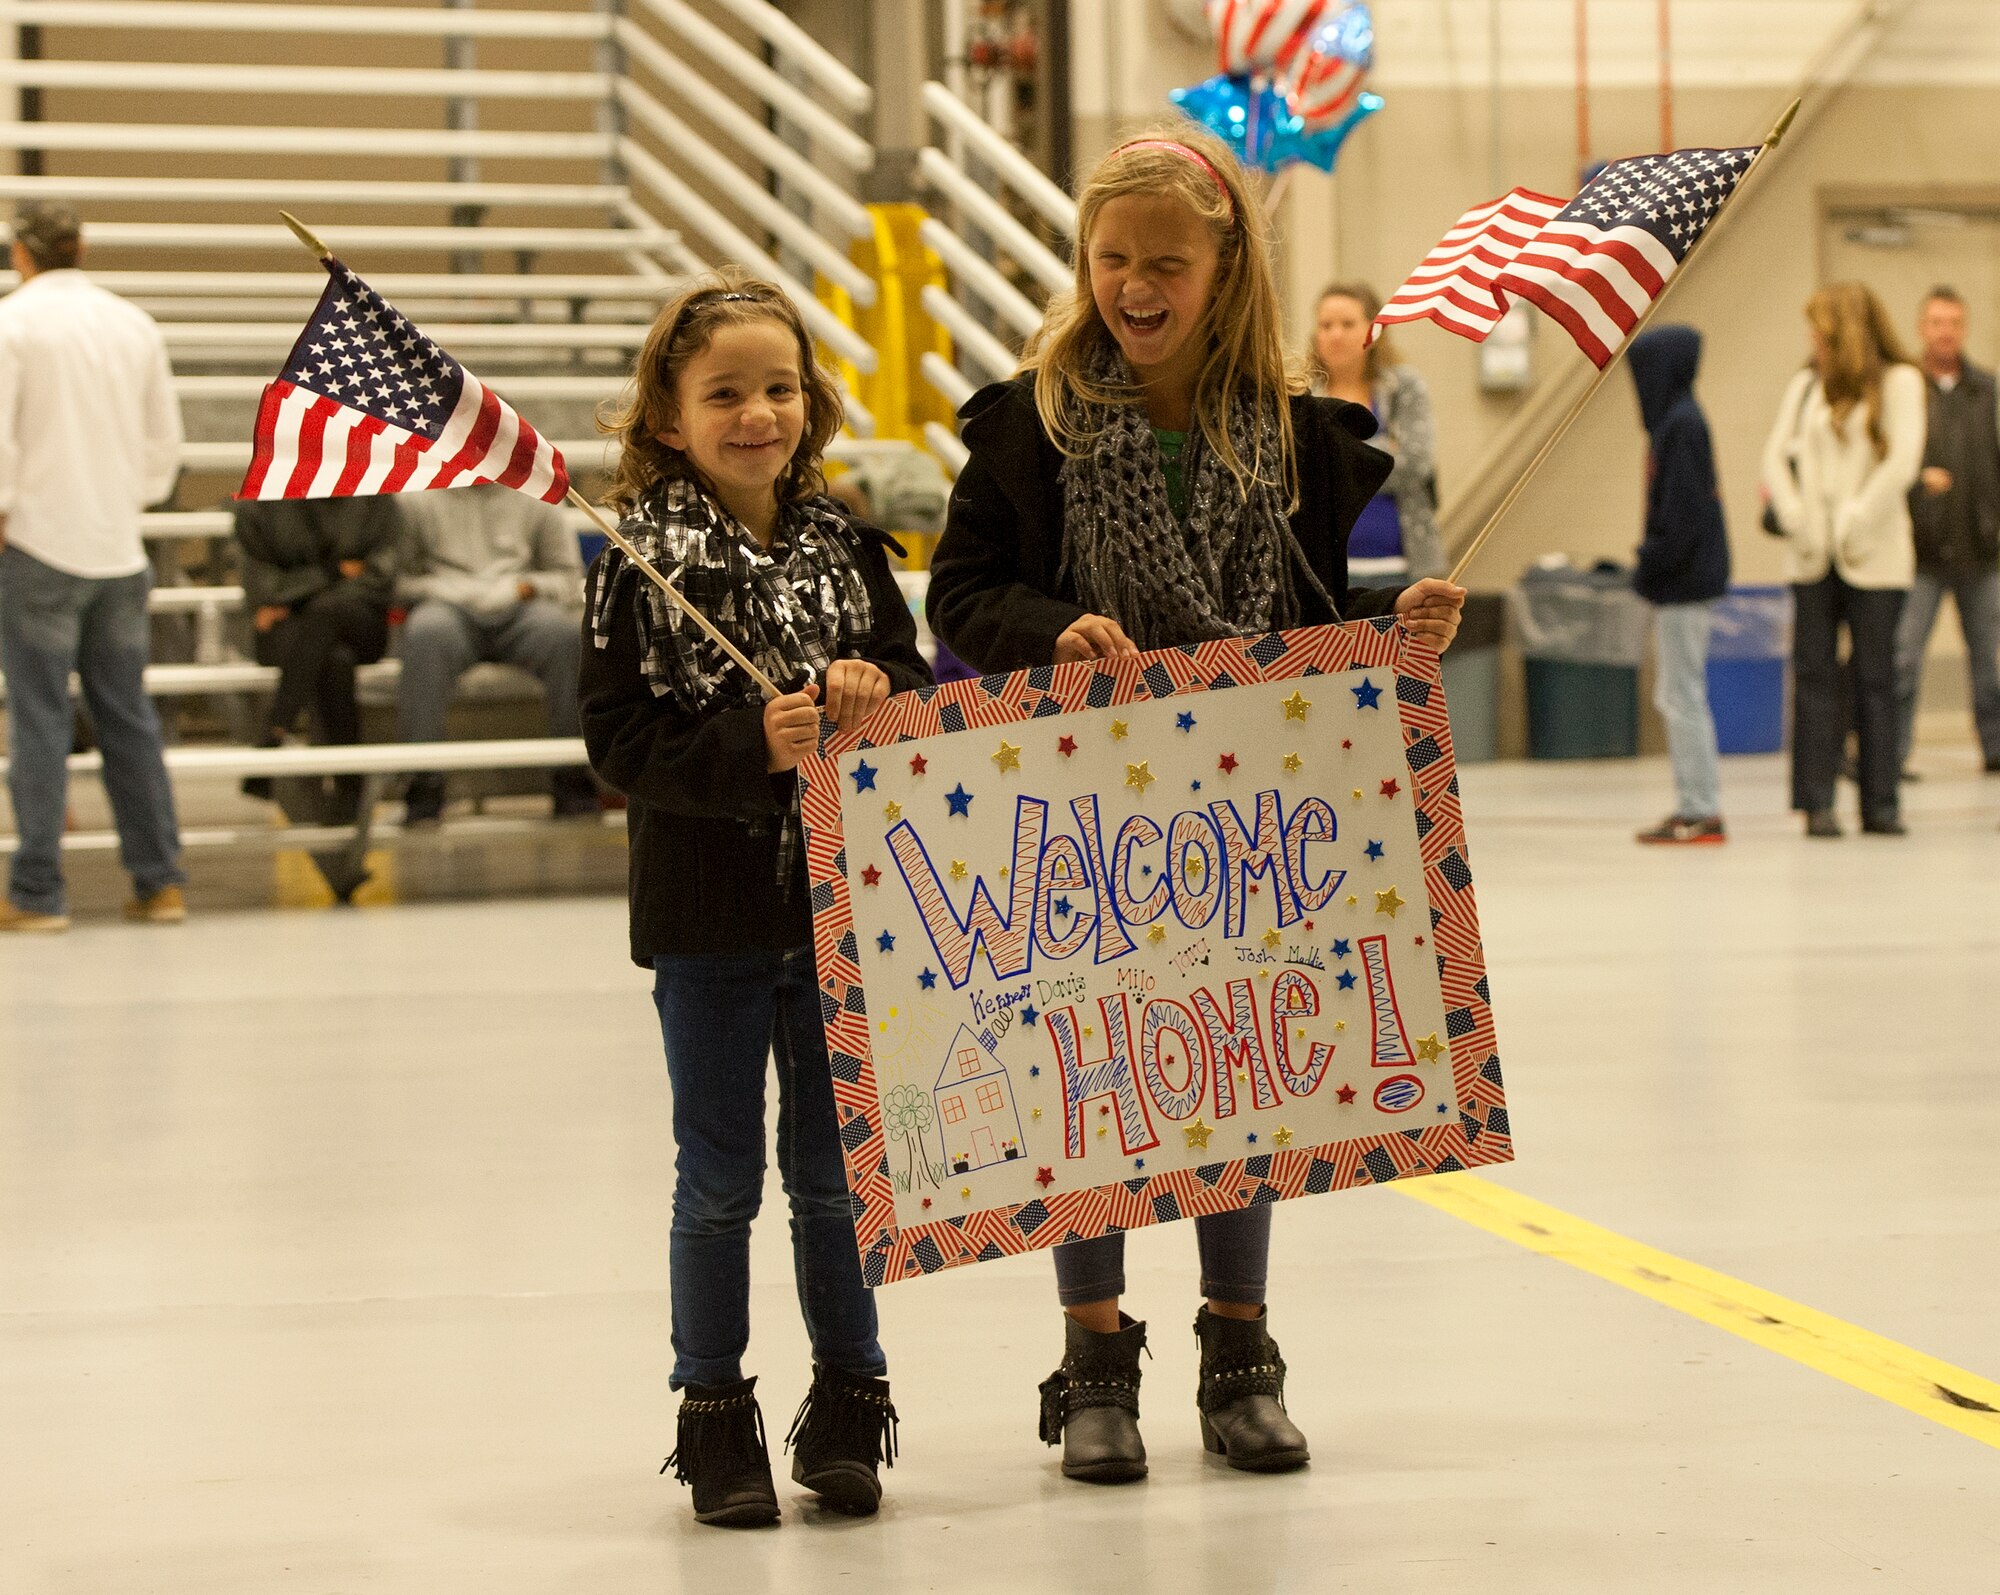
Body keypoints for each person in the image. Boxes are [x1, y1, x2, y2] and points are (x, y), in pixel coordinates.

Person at [926, 127, 1466, 1483]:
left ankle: (1241, 1347)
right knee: (1092, 1070)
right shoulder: (1029, 423)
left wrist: (1391, 627)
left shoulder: (1298, 438)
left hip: (1244, 815)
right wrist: (1051, 627)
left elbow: (1304, 624)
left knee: (1235, 1070)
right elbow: (963, 597)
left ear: (1227, 270)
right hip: (1073, 806)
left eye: (1166, 261)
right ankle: (1094, 1356)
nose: (1134, 285)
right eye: (1112, 260)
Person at [579, 273, 932, 1526]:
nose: (755, 413)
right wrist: (749, 747)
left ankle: (849, 1401)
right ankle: (712, 1410)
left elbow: (907, 671)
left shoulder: (844, 541)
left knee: (835, 1175)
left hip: (841, 909)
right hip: (709, 918)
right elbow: (614, 741)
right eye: (722, 392)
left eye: (776, 388)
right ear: (669, 417)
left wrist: (866, 678)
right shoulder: (634, 561)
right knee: (718, 1176)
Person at [0, 204, 187, 933]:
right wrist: (119, 502)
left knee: (41, 723)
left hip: (40, 545)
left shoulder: (12, 323)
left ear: (22, 251)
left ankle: (40, 892)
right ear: (82, 248)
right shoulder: (132, 324)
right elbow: (161, 449)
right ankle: (160, 881)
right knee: (129, 719)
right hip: (118, 548)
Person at [1762, 281, 1925, 837]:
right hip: (1813, 558)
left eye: (1820, 327)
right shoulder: (1808, 383)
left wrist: (1855, 518)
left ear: (1845, 329)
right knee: (1813, 676)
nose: (1812, 337)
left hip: (1875, 557)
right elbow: (1773, 457)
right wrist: (1795, 515)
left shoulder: (1902, 382)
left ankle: (1881, 803)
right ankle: (1817, 802)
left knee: (1876, 678)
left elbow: (1902, 461)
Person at [391, 481, 597, 824]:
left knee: (563, 635)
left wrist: (524, 587)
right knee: (425, 633)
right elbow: (397, 581)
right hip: (446, 610)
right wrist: (440, 588)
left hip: (522, 607)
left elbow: (568, 577)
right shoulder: (413, 497)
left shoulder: (537, 490)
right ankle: (422, 783)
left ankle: (573, 776)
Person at [232, 495, 397, 822]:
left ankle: (274, 733)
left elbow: (381, 579)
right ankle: (349, 789)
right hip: (292, 633)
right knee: (335, 658)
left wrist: (298, 598)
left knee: (325, 617)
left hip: (357, 622)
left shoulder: (374, 495)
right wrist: (333, 572)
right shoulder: (259, 502)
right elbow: (263, 588)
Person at [1628, 325, 1731, 845]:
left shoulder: (1682, 426)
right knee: (1678, 692)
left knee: (1683, 694)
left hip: (1685, 584)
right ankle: (1694, 801)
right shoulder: (1676, 423)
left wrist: (1648, 564)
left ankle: (1702, 808)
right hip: (1681, 582)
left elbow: (1684, 518)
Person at [1894, 286, 2000, 772]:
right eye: (1937, 322)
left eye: (1954, 322)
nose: (1946, 332)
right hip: (1921, 551)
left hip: (1981, 549)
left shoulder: (1985, 389)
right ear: (1922, 328)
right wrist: (1918, 485)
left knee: (1990, 664)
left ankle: (1995, 749)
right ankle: (1891, 757)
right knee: (1904, 658)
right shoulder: (1904, 385)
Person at [1308, 280, 1446, 579]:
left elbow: (1415, 464)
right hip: (1325, 573)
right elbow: (1299, 475)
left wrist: (1330, 458)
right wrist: (1383, 450)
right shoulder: (1301, 396)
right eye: (1326, 325)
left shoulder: (1403, 388)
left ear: (1373, 330)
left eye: (1347, 324)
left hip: (1403, 569)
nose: (1335, 334)